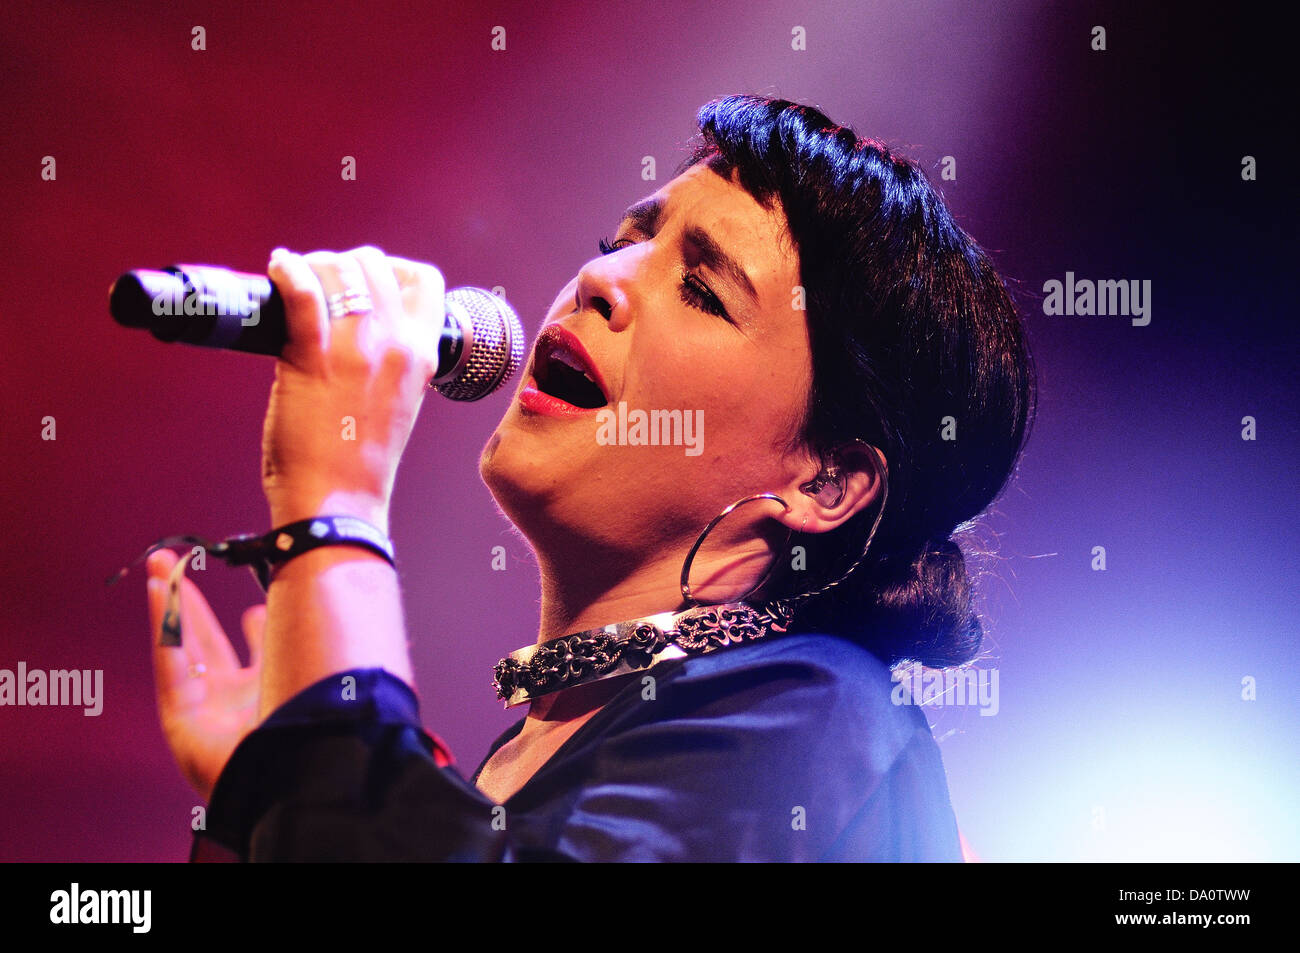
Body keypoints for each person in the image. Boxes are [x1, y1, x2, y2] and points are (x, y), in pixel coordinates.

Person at [145, 95, 1035, 861]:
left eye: (702, 292)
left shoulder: (825, 717)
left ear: (825, 483)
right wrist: (265, 785)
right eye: (620, 241)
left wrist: (336, 512)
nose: (601, 279)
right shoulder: (518, 764)